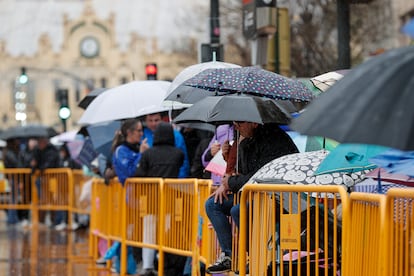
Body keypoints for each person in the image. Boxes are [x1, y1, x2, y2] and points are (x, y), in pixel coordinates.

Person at [205, 122, 299, 274]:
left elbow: (259, 175)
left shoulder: (273, 139)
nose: (236, 127)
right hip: (255, 193)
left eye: (239, 123)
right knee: (213, 204)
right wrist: (228, 157)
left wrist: (230, 182)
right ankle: (228, 256)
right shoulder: (246, 139)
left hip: (278, 195)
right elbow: (243, 171)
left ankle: (254, 257)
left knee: (238, 210)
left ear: (254, 123)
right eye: (234, 124)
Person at [136, 122, 186, 275]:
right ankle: (164, 263)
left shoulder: (148, 154)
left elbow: (139, 175)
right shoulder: (178, 153)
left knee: (149, 232)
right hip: (170, 199)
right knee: (167, 232)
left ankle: (148, 266)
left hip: (151, 198)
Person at [107, 118, 149, 274]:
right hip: (132, 200)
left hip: (145, 198)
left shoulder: (138, 147)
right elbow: (129, 173)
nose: (141, 133)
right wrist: (141, 155)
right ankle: (135, 264)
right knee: (134, 234)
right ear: (130, 132)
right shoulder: (121, 151)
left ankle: (144, 263)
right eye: (138, 130)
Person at [141, 112, 190, 178]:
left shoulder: (176, 135)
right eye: (150, 120)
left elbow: (183, 161)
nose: (153, 123)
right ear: (146, 121)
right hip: (152, 180)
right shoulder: (141, 134)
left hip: (173, 179)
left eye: (156, 120)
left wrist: (180, 180)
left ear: (162, 120)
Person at [30, 136, 61, 227]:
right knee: (42, 200)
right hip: (42, 179)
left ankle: (53, 220)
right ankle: (41, 220)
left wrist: (39, 167)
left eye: (41, 142)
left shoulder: (52, 151)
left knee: (51, 201)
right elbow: (34, 164)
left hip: (51, 179)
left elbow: (48, 164)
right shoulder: (38, 151)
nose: (39, 144)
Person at [3, 138, 22, 225]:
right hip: (13, 177)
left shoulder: (7, 152)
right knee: (13, 199)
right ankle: (12, 218)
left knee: (13, 198)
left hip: (11, 177)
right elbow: (16, 163)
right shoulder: (10, 153)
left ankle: (13, 218)